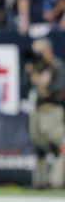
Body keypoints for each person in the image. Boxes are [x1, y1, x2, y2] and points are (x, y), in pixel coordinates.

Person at [27, 38, 65, 189]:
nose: (36, 55)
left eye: (39, 51)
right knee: (39, 146)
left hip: (52, 110)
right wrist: (33, 74)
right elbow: (29, 86)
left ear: (47, 50)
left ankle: (58, 181)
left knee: (59, 145)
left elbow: (57, 88)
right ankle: (40, 182)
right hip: (38, 109)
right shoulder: (37, 67)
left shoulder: (58, 66)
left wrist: (43, 84)